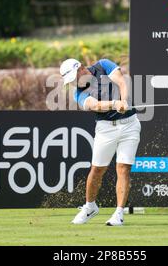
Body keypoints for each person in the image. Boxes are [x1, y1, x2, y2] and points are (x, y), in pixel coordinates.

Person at [60, 58, 141, 226]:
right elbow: (95, 105)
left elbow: (121, 82)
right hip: (105, 129)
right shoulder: (78, 93)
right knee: (96, 170)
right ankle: (90, 207)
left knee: (123, 168)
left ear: (81, 68)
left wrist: (124, 100)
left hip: (129, 125)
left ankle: (119, 214)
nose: (74, 83)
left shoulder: (103, 65)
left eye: (74, 78)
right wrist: (114, 103)